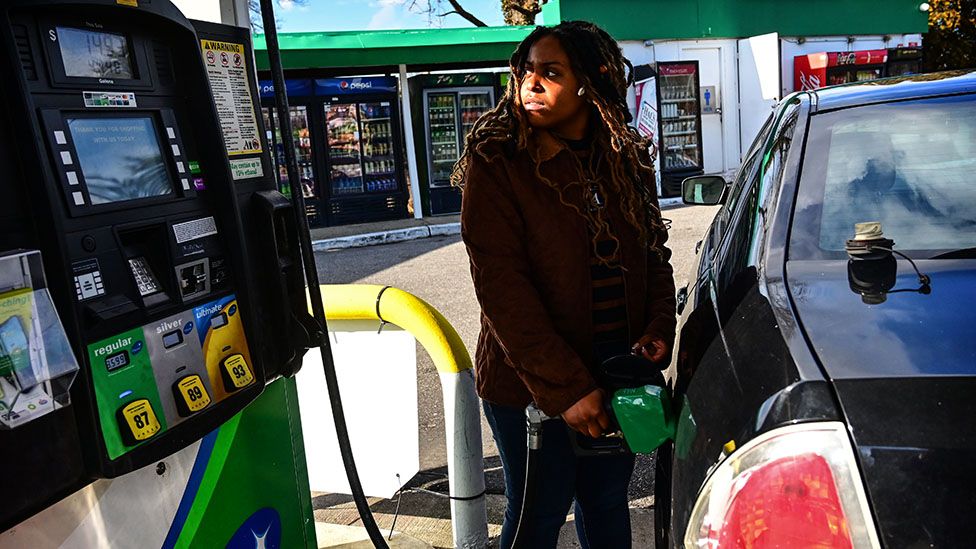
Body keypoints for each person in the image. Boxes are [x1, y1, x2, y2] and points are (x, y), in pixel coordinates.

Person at [453, 20, 676, 549]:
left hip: (616, 371)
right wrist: (568, 390)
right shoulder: (497, 163)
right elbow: (502, 290)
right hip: (531, 385)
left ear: (591, 81)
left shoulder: (626, 156)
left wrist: (657, 328)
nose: (530, 83)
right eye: (525, 70)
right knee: (538, 515)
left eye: (550, 72)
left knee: (605, 503)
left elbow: (653, 254)